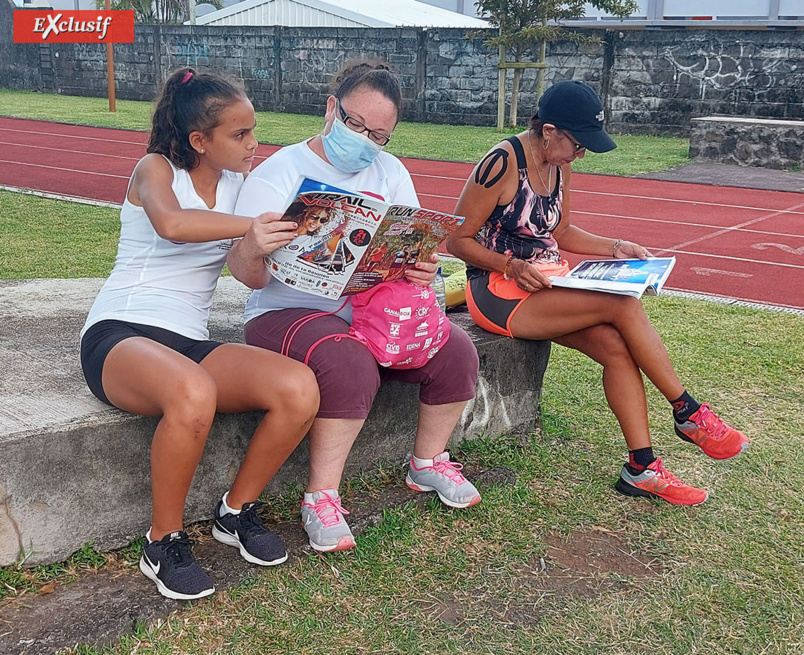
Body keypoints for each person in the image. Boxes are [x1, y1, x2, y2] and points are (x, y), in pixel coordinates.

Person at [448, 79, 749, 507]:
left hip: (548, 281)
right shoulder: (501, 163)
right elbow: (456, 240)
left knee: (615, 346)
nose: (581, 153)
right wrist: (509, 264)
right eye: (577, 143)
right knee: (622, 302)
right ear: (549, 130)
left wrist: (614, 247)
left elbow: (562, 230)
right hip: (497, 289)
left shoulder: (559, 162)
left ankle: (641, 468)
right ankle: (688, 413)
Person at [79, 67, 319, 600]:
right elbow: (174, 224)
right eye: (240, 135)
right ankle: (162, 541)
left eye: (254, 131)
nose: (254, 144)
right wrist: (253, 227)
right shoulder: (155, 169)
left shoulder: (240, 189)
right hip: (119, 333)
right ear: (199, 140)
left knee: (298, 387)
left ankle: (234, 513)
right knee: (193, 391)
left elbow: (247, 263)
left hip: (188, 341)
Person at [228, 61, 481, 553]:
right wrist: (255, 247)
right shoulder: (280, 171)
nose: (364, 139)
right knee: (349, 363)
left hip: (368, 307)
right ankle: (320, 497)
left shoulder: (391, 172)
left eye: (379, 134)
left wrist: (421, 268)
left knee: (457, 351)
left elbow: (412, 250)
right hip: (284, 309)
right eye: (356, 124)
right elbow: (246, 275)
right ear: (331, 109)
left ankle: (427, 463)